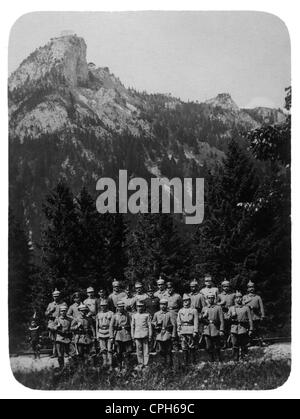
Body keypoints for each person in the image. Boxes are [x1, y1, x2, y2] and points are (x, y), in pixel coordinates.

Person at [228, 291, 253, 361]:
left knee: (244, 345)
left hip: (243, 328)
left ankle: (244, 358)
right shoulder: (231, 308)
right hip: (234, 329)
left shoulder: (246, 308)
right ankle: (235, 359)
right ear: (234, 299)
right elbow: (227, 319)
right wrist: (231, 317)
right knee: (235, 345)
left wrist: (251, 329)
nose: (239, 299)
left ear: (242, 298)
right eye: (237, 298)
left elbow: (250, 319)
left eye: (240, 297)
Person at [201, 292, 224, 362]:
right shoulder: (204, 308)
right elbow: (201, 320)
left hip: (215, 328)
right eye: (209, 298)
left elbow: (222, 320)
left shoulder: (218, 308)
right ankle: (211, 360)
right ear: (207, 299)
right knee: (208, 347)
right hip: (207, 329)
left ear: (214, 299)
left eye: (212, 298)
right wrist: (203, 316)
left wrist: (221, 330)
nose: (210, 299)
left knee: (217, 346)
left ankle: (219, 359)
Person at [152, 299, 176, 367]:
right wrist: (156, 324)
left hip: (167, 333)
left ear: (167, 305)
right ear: (159, 305)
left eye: (164, 304)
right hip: (159, 334)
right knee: (160, 351)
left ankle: (169, 365)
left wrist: (173, 334)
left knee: (168, 350)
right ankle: (162, 364)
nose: (163, 306)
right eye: (161, 304)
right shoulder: (156, 314)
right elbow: (153, 322)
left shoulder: (169, 314)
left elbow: (174, 324)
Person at [109, 300, 132, 371]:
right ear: (117, 307)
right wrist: (112, 336)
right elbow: (111, 326)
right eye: (119, 307)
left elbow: (131, 325)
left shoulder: (128, 315)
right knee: (119, 352)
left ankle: (126, 367)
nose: (121, 308)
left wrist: (132, 335)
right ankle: (119, 366)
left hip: (127, 334)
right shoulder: (115, 316)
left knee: (127, 352)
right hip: (118, 335)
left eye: (122, 307)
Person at [177, 295, 199, 365]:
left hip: (190, 329)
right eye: (184, 300)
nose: (185, 302)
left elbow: (196, 321)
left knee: (192, 346)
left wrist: (195, 331)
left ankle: (193, 362)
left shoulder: (193, 310)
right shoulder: (180, 311)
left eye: (187, 300)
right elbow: (178, 321)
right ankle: (186, 362)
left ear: (190, 301)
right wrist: (178, 330)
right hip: (183, 330)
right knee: (184, 347)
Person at [243, 281, 266, 346]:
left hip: (256, 315)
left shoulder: (258, 297)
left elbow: (261, 307)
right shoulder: (245, 297)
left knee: (258, 329)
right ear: (247, 289)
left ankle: (261, 340)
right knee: (248, 329)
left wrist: (262, 315)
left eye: (252, 287)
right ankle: (249, 341)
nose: (251, 289)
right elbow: (242, 306)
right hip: (248, 316)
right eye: (249, 287)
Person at [45, 289, 66, 358]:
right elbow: (46, 314)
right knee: (53, 339)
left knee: (61, 337)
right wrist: (50, 311)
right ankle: (55, 352)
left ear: (60, 296)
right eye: (54, 296)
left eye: (57, 296)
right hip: (52, 323)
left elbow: (66, 313)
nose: (56, 297)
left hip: (61, 322)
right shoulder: (50, 304)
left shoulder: (63, 304)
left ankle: (62, 352)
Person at [131, 300, 152, 370]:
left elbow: (149, 326)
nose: (139, 308)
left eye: (141, 306)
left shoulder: (147, 315)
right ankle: (140, 364)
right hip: (137, 335)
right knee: (139, 350)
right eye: (138, 306)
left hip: (145, 334)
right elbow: (132, 326)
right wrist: (132, 335)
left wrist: (150, 335)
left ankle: (146, 364)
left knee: (146, 350)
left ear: (143, 307)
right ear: (136, 307)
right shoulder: (134, 315)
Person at [52, 304, 71, 370]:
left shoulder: (69, 319)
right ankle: (61, 367)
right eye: (62, 311)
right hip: (59, 338)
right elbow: (53, 327)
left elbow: (71, 328)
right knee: (60, 354)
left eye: (65, 311)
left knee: (66, 353)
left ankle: (67, 368)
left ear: (66, 311)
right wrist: (57, 327)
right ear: (60, 312)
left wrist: (69, 331)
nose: (63, 312)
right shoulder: (57, 319)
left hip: (67, 338)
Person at [96, 299, 114, 369]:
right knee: (103, 349)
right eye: (102, 306)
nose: (103, 307)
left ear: (107, 306)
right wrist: (97, 335)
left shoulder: (111, 313)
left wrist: (112, 336)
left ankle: (110, 364)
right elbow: (97, 325)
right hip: (101, 332)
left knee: (110, 349)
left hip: (109, 332)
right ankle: (105, 363)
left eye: (104, 306)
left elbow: (112, 325)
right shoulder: (98, 314)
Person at [218, 280, 235, 348]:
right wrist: (221, 304)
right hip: (223, 313)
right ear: (222, 287)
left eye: (227, 286)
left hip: (231, 314)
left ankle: (231, 342)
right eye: (224, 286)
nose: (226, 288)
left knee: (231, 329)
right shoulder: (219, 295)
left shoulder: (232, 295)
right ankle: (224, 343)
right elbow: (216, 304)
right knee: (223, 329)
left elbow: (235, 303)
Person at [165, 281, 182, 350]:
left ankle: (175, 344)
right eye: (168, 288)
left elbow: (181, 305)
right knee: (167, 327)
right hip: (167, 313)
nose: (169, 289)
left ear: (173, 288)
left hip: (175, 312)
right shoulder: (164, 296)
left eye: (170, 288)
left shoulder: (177, 296)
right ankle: (168, 345)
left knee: (175, 328)